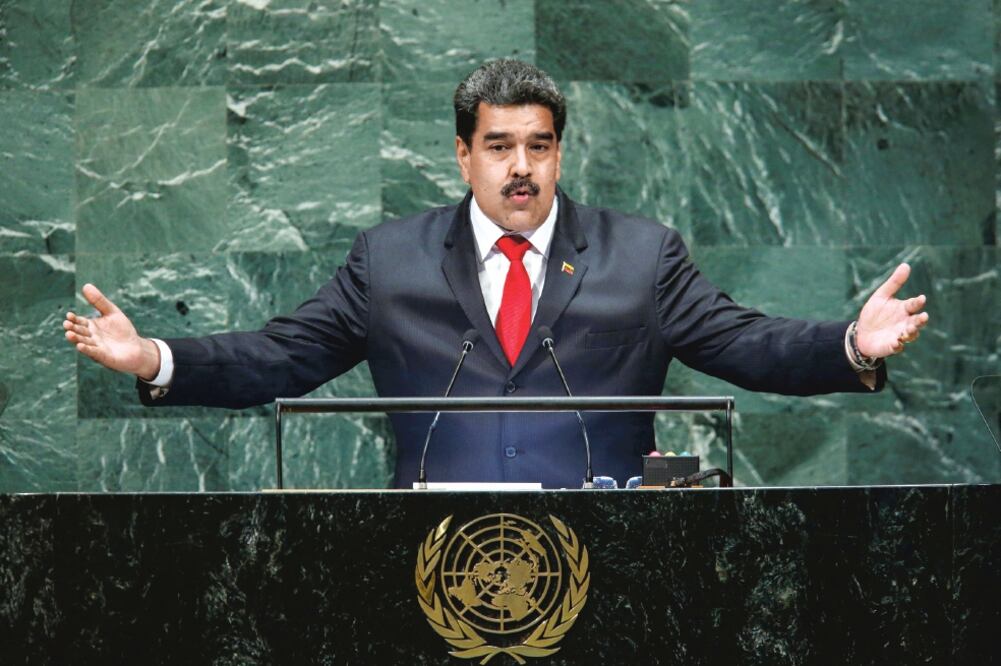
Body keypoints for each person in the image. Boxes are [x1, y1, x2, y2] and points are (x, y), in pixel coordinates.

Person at [63, 60, 929, 488]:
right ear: (462, 156)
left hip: (610, 561)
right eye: (499, 146)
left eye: (539, 146)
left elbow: (747, 345)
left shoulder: (642, 254)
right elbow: (282, 357)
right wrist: (156, 361)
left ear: (559, 153)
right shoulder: (390, 259)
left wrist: (850, 345)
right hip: (427, 561)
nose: (521, 168)